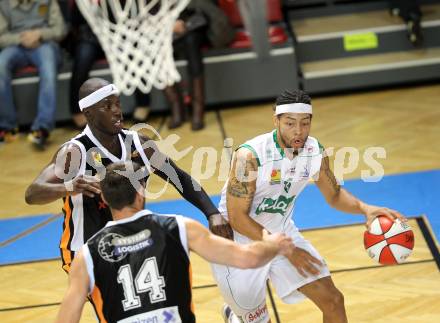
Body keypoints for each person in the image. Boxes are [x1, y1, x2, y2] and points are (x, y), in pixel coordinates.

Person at [212, 89, 407, 323]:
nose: (298, 131)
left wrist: (365, 208)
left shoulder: (314, 151)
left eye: (305, 123)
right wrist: (286, 249)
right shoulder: (249, 156)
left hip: (281, 235)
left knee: (333, 301)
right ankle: (236, 316)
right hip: (238, 243)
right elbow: (236, 217)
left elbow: (334, 195)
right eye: (290, 123)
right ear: (276, 120)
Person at [25, 77, 232, 273]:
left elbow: (179, 178)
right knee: (113, 309)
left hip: (131, 242)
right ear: (88, 113)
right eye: (107, 106)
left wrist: (212, 212)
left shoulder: (139, 144)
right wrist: (69, 187)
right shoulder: (74, 152)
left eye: (118, 104)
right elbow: (32, 193)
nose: (117, 112)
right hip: (85, 249)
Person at [54, 161, 294, 323]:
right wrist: (274, 244)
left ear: (104, 199)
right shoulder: (179, 227)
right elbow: (247, 259)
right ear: (142, 192)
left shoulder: (87, 255)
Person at [0, 0, 66, 148]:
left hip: (44, 44)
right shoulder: (3, 4)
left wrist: (39, 34)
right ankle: (7, 126)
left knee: (48, 66)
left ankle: (43, 127)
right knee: (0, 65)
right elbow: (1, 36)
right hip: (16, 45)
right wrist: (21, 39)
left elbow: (60, 29)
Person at [165, 0, 234, 130]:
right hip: (167, 28)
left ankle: (198, 109)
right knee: (160, 49)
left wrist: (183, 21)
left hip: (197, 23)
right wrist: (170, 23)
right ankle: (176, 107)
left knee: (191, 41)